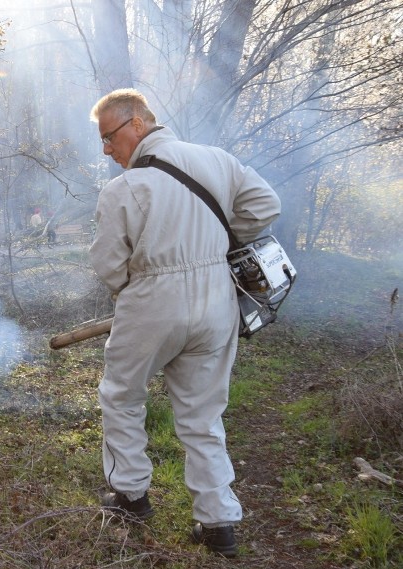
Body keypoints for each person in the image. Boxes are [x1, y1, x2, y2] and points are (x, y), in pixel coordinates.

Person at [88, 88, 281, 558]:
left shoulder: (124, 189)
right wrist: (216, 244)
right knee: (203, 414)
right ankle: (218, 524)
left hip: (152, 297)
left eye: (110, 137)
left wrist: (135, 290)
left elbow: (109, 266)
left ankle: (130, 496)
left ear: (137, 123)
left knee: (121, 395)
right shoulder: (216, 160)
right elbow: (264, 206)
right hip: (217, 299)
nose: (108, 150)